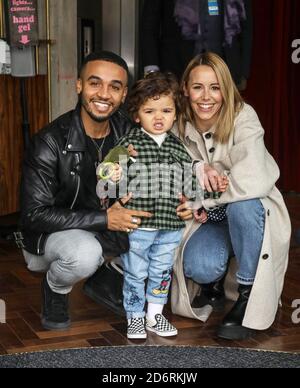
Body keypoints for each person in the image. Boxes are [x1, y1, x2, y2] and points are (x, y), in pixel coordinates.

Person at [19, 51, 154, 330]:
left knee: (163, 224)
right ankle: (55, 287)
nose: (104, 94)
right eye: (95, 83)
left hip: (105, 230)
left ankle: (109, 276)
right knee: (84, 255)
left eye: (114, 87)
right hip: (49, 238)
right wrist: (105, 220)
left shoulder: (127, 132)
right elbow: (34, 215)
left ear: (123, 93)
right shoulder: (50, 142)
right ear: (79, 85)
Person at [170, 52, 291, 340]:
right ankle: (213, 282)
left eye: (215, 87)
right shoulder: (176, 123)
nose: (206, 97)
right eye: (198, 87)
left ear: (226, 90)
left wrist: (203, 200)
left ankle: (248, 294)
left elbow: (251, 179)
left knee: (243, 206)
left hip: (248, 211)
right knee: (199, 265)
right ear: (185, 89)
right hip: (208, 219)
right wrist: (196, 182)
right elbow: (173, 177)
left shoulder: (243, 116)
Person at [113, 72, 197, 339]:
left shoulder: (178, 147)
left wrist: (193, 200)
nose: (159, 117)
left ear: (175, 114)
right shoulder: (130, 143)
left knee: (161, 271)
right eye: (150, 110)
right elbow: (106, 170)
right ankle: (135, 317)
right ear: (137, 115)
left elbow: (191, 178)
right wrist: (112, 173)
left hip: (171, 224)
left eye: (166, 110)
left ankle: (155, 315)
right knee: (136, 271)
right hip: (139, 224)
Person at [141, 0, 253, 89]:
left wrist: (243, 72)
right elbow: (149, 25)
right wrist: (152, 71)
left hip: (226, 67)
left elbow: (246, 29)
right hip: (176, 70)